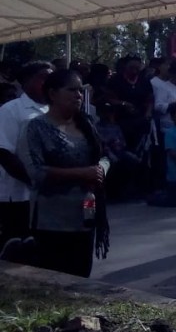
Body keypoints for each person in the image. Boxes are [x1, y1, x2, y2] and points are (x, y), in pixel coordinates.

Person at [14, 69, 110, 278]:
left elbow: (105, 156)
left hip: (85, 216)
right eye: (72, 90)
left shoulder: (86, 124)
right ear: (52, 94)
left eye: (80, 90)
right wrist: (83, 174)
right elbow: (36, 172)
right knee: (55, 280)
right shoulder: (36, 127)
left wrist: (101, 169)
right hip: (52, 220)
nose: (79, 95)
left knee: (81, 277)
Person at [0, 61, 52, 248]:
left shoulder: (52, 111)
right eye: (44, 77)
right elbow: (4, 153)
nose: (49, 82)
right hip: (17, 195)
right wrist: (34, 179)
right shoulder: (11, 110)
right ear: (26, 81)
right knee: (15, 246)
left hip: (46, 195)